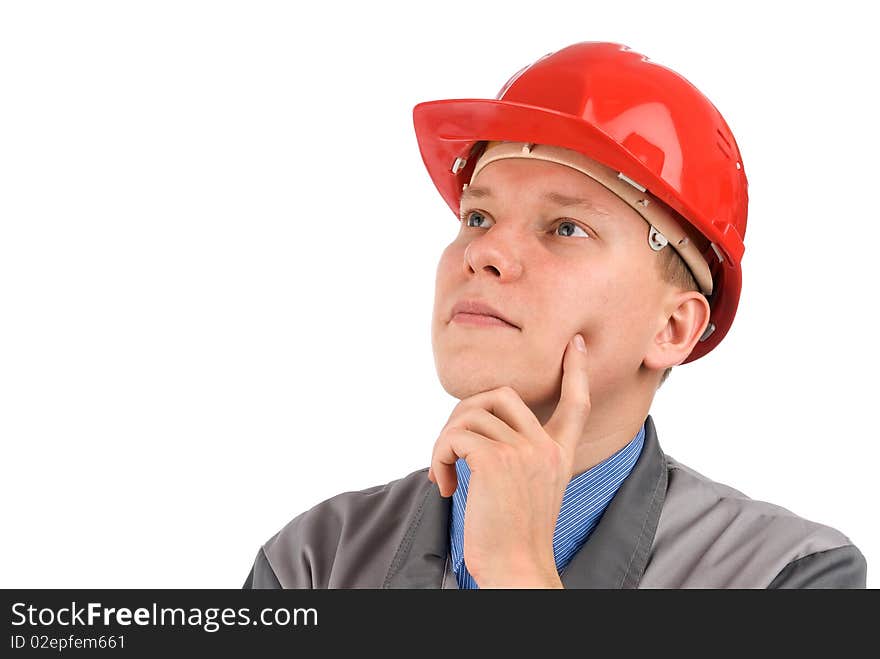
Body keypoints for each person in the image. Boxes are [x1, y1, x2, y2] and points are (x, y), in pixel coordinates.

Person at [243, 42, 867, 589]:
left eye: (566, 227)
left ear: (672, 327)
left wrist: (518, 571)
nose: (483, 252)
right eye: (478, 218)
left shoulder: (787, 575)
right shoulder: (313, 561)